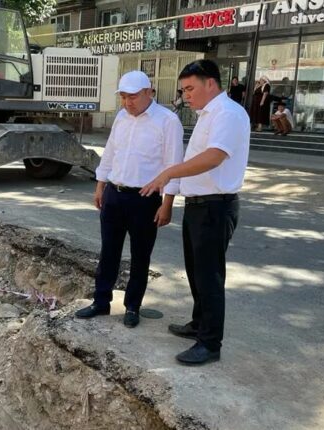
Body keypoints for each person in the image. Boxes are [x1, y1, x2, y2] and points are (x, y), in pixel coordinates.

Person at [141, 59, 249, 365]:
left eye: (190, 88)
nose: (186, 96)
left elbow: (214, 157)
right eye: (183, 90)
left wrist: (169, 172)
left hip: (216, 205)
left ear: (210, 83)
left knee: (209, 276)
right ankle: (199, 324)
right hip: (199, 205)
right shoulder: (208, 114)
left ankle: (210, 344)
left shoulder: (228, 113)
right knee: (196, 272)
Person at [75, 70, 184, 328]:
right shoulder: (122, 118)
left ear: (149, 93)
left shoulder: (167, 121)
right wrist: (100, 186)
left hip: (145, 199)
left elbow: (174, 165)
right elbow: (111, 153)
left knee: (140, 255)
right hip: (115, 193)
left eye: (132, 97)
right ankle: (101, 301)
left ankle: (133, 306)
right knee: (108, 252)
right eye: (123, 97)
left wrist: (167, 204)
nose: (127, 103)